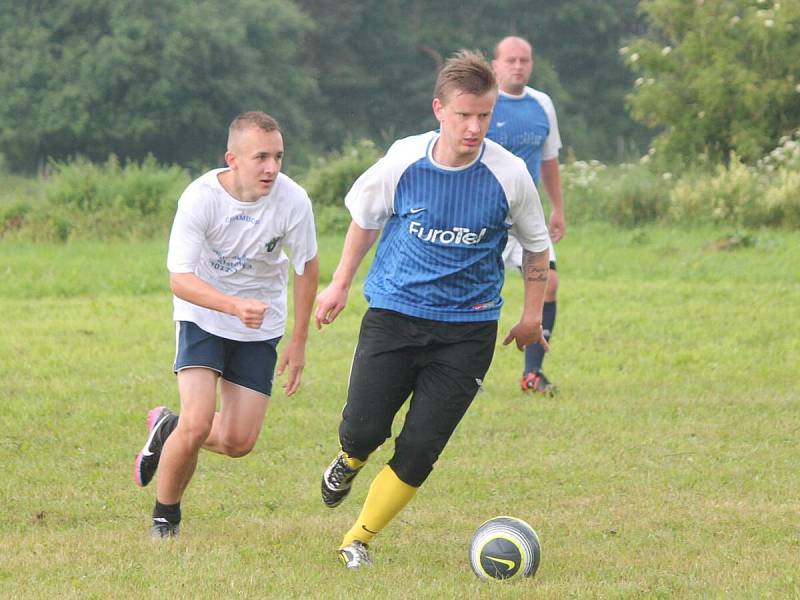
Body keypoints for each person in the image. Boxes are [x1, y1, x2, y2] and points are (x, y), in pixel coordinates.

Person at [314, 50, 550, 568]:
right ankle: (350, 458)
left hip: (468, 331)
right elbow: (366, 221)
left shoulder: (508, 175)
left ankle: (358, 538)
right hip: (394, 316)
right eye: (464, 115)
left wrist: (532, 315)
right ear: (439, 109)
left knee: (421, 446)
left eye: (484, 116)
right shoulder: (402, 159)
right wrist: (338, 284)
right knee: (364, 428)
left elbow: (537, 248)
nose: (474, 127)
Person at [133, 111, 319, 538]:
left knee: (238, 443)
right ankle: (166, 519)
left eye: (278, 157)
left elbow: (307, 266)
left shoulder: (293, 201)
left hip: (259, 326)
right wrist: (231, 305)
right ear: (232, 159)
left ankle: (166, 425)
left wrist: (299, 339)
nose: (272, 168)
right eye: (261, 158)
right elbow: (180, 279)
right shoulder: (200, 198)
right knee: (197, 422)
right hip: (203, 316)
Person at [487, 35, 565, 395]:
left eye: (525, 60)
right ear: (496, 64)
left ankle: (532, 374)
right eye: (511, 60)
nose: (518, 66)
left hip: (526, 215)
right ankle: (460, 376)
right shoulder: (483, 103)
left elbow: (549, 160)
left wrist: (558, 208)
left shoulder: (541, 104)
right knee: (473, 293)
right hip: (483, 214)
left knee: (548, 282)